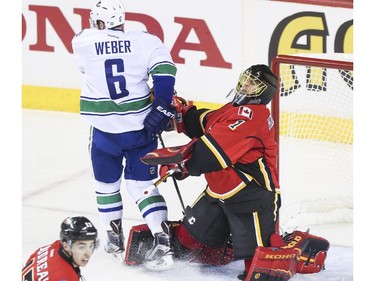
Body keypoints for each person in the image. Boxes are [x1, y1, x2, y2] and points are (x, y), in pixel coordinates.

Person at [71, 0, 177, 270]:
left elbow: (87, 66)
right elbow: (165, 74)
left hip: (105, 134)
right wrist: (162, 107)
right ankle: (162, 238)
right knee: (141, 187)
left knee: (106, 186)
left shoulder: (82, 41)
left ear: (100, 22)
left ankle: (113, 238)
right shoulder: (146, 41)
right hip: (141, 129)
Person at [157, 64, 282, 279]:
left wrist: (181, 164)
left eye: (253, 83)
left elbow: (211, 154)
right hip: (220, 190)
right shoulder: (233, 108)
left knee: (257, 267)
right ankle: (225, 247)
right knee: (186, 242)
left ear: (264, 91)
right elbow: (206, 122)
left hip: (251, 195)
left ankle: (245, 245)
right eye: (245, 79)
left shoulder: (254, 116)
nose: (245, 85)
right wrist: (182, 113)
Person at [22, 216, 98, 281]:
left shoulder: (55, 246)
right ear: (66, 246)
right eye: (81, 247)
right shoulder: (65, 276)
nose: (88, 254)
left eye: (91, 245)